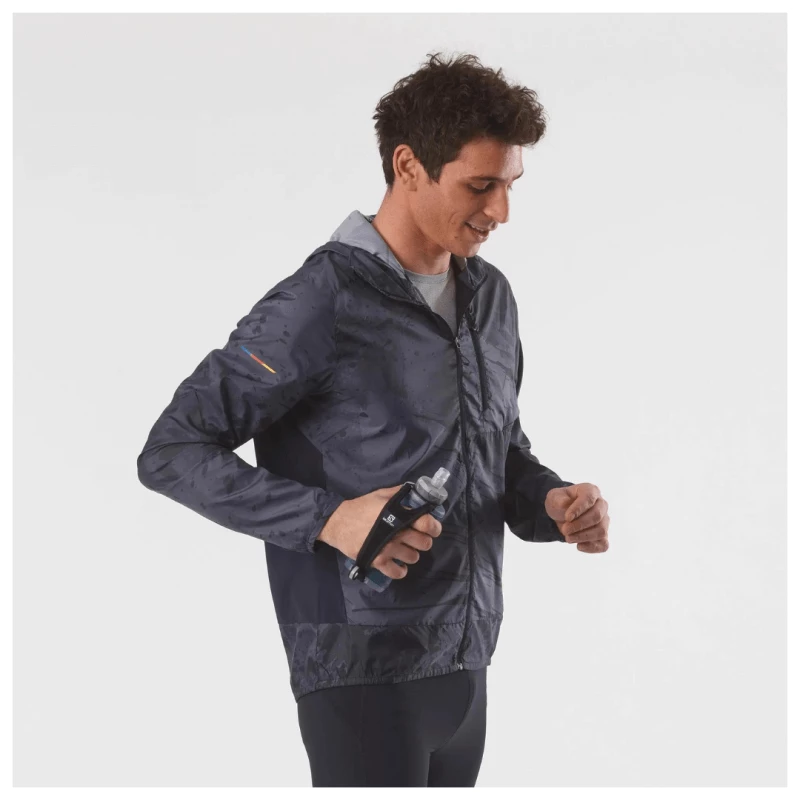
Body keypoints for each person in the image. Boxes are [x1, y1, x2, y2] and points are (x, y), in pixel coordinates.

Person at [137, 50, 610, 787]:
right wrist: (331, 519)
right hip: (359, 676)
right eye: (480, 186)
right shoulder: (318, 302)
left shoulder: (490, 297)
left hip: (467, 668)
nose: (501, 212)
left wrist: (551, 502)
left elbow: (494, 447)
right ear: (408, 165)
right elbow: (172, 451)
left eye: (510, 185)